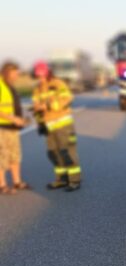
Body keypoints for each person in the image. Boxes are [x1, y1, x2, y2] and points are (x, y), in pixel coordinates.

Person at [31, 61, 82, 192]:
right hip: (48, 126)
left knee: (67, 152)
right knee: (53, 153)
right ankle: (61, 179)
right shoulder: (37, 89)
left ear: (48, 73)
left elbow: (67, 98)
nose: (40, 78)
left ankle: (74, 180)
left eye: (42, 75)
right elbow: (36, 108)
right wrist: (40, 123)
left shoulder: (58, 84)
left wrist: (47, 106)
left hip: (63, 124)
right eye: (38, 76)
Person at [0, 61, 29, 195]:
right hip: (2, 127)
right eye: (15, 73)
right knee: (2, 157)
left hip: (13, 127)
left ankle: (17, 182)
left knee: (15, 155)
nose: (17, 75)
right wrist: (14, 119)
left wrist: (21, 119)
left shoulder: (10, 86)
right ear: (7, 72)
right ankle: (2, 185)